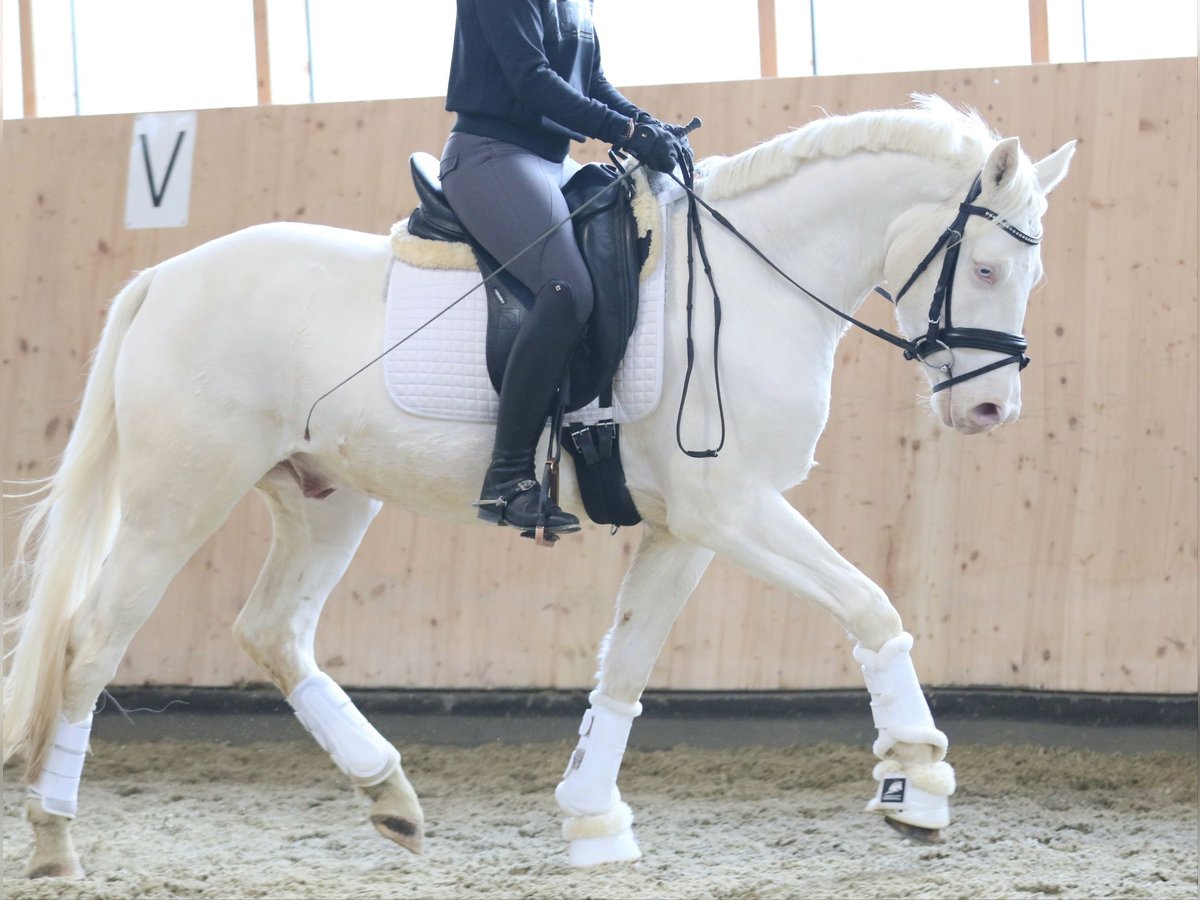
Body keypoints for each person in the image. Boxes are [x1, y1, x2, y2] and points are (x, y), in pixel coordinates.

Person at [440, 0, 692, 539]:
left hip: (549, 163)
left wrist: (646, 125)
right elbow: (532, 80)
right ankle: (506, 478)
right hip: (492, 156)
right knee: (567, 289)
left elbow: (591, 79)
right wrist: (625, 133)